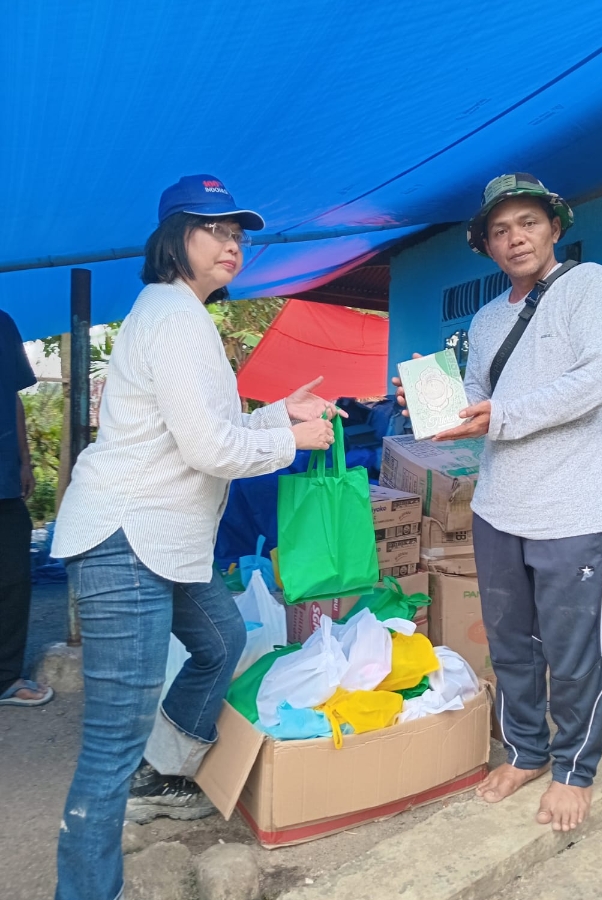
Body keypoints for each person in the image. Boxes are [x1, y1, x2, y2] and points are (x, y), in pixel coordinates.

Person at [51, 174, 339, 900]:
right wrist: (293, 441)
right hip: (128, 541)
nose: (232, 245)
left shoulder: (187, 319)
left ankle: (164, 773)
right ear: (173, 239)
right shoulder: (173, 317)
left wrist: (279, 414)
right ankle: (86, 889)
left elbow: (219, 429)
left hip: (166, 543)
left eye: (239, 234)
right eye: (214, 229)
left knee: (219, 640)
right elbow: (212, 449)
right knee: (110, 739)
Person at [394, 173, 602, 833]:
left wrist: (501, 415)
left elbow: (600, 379)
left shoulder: (591, 287)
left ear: (555, 227)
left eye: (527, 222)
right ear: (487, 246)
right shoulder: (488, 317)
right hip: (499, 507)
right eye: (500, 229)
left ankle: (574, 769)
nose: (515, 237)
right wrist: (433, 406)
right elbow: (475, 405)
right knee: (512, 645)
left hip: (569, 509)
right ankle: (526, 752)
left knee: (572, 646)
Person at [0, 310, 54, 708]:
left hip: (2, 477)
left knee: (13, 579)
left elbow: (14, 395)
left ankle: (5, 677)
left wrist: (24, 460)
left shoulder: (2, 323)